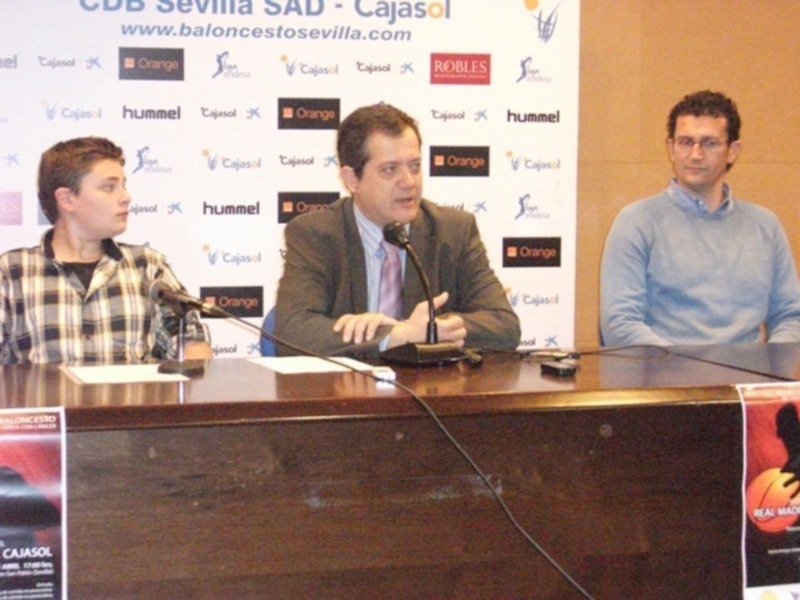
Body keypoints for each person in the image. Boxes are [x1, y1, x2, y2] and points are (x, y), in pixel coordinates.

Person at [275, 103, 520, 357]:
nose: (409, 182)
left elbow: (505, 326)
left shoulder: (453, 231)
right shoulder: (315, 234)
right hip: (345, 392)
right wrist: (395, 336)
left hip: (428, 392)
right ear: (352, 180)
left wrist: (424, 329)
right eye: (390, 170)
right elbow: (290, 332)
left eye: (414, 166)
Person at [600, 90, 800, 346]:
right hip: (666, 381)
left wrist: (766, 367)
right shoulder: (637, 222)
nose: (695, 154)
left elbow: (791, 316)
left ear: (732, 151)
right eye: (685, 142)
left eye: (709, 143)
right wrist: (691, 373)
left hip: (749, 379)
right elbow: (619, 324)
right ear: (671, 148)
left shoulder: (765, 226)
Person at [0, 136, 211, 364]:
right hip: (48, 401)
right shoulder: (12, 272)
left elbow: (193, 345)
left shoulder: (147, 265)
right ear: (67, 199)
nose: (126, 198)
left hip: (134, 400)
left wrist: (192, 362)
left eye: (124, 186)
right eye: (109, 187)